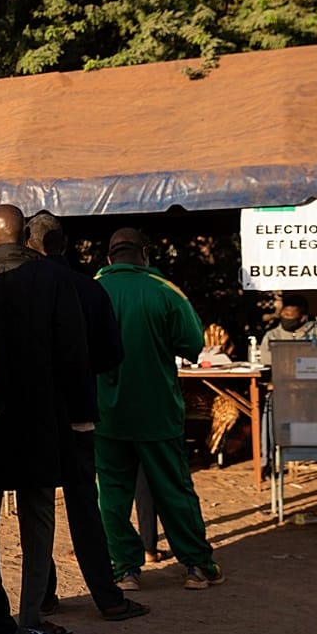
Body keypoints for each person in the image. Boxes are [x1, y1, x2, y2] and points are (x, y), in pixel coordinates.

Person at [0, 205, 86, 634]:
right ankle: (33, 611)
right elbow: (74, 350)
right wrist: (78, 412)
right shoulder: (53, 279)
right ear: (26, 236)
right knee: (38, 518)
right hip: (42, 417)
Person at [24, 211, 150, 621]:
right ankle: (108, 597)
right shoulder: (88, 288)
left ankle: (42, 595)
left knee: (36, 506)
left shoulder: (19, 287)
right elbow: (113, 354)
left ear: (31, 243)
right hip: (79, 410)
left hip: (36, 414)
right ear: (65, 243)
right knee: (84, 504)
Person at [94, 228, 225, 590]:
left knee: (112, 494)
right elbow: (193, 344)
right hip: (158, 413)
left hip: (106, 414)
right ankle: (197, 566)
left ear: (109, 258)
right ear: (146, 254)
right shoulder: (166, 292)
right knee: (174, 490)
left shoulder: (91, 290)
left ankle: (125, 569)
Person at [258, 293, 317, 365]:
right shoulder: (272, 335)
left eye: (288, 315)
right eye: (283, 314)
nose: (284, 317)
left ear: (302, 318)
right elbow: (266, 360)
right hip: (282, 377)